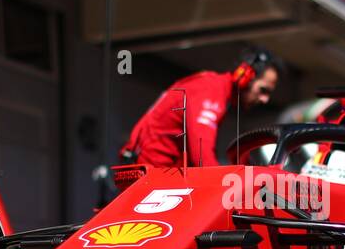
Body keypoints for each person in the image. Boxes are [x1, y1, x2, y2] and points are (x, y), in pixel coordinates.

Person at [119, 48, 281, 167]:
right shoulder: (210, 90)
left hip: (157, 174)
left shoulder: (216, 89)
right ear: (244, 76)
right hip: (148, 174)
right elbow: (202, 158)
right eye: (263, 90)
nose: (265, 99)